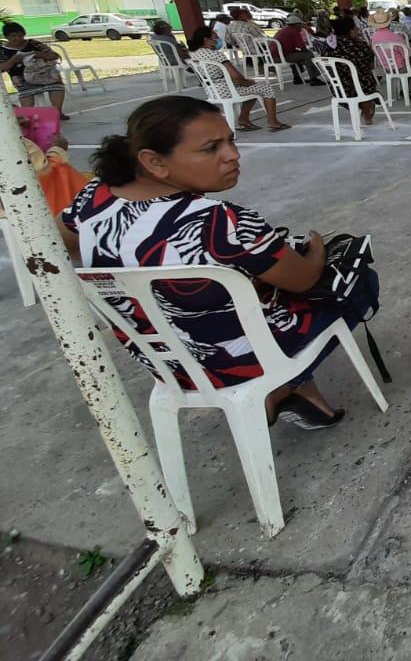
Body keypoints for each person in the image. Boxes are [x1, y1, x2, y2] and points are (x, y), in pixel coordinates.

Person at [60, 96, 378, 428]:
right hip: (232, 361)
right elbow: (304, 279)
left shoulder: (94, 197)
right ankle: (278, 389)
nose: (233, 155)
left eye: (231, 141)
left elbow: (64, 243)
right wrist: (316, 248)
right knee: (360, 282)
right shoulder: (220, 223)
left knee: (246, 290)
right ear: (154, 161)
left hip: (168, 361)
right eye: (212, 148)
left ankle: (306, 398)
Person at [187, 25, 290, 132]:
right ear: (206, 40)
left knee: (253, 91)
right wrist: (248, 83)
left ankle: (243, 120)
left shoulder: (194, 54)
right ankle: (273, 122)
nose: (218, 39)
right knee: (266, 89)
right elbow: (236, 76)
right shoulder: (216, 55)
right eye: (216, 37)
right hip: (227, 90)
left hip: (212, 90)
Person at [315, 15, 381, 122]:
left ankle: (357, 107)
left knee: (355, 83)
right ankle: (367, 113)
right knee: (364, 82)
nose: (357, 30)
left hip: (339, 87)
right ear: (349, 31)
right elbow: (371, 66)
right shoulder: (360, 45)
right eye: (355, 28)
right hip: (362, 85)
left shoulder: (328, 46)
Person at [2, 22, 69, 119]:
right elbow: (2, 68)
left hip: (44, 74)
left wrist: (40, 54)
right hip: (21, 79)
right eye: (13, 36)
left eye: (20, 36)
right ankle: (26, 117)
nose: (18, 39)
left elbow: (54, 56)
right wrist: (13, 60)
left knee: (57, 85)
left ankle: (57, 112)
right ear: (7, 37)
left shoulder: (34, 43)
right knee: (26, 96)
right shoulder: (3, 50)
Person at [369, 10, 411, 101]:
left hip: (387, 67)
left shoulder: (374, 38)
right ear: (389, 23)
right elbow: (408, 56)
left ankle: (405, 90)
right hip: (401, 67)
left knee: (410, 66)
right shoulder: (395, 37)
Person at [274, 14, 325, 85]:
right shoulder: (294, 31)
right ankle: (313, 79)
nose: (302, 26)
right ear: (296, 24)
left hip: (274, 56)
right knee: (308, 55)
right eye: (300, 25)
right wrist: (307, 51)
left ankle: (297, 77)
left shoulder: (283, 30)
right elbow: (301, 46)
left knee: (300, 55)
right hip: (281, 56)